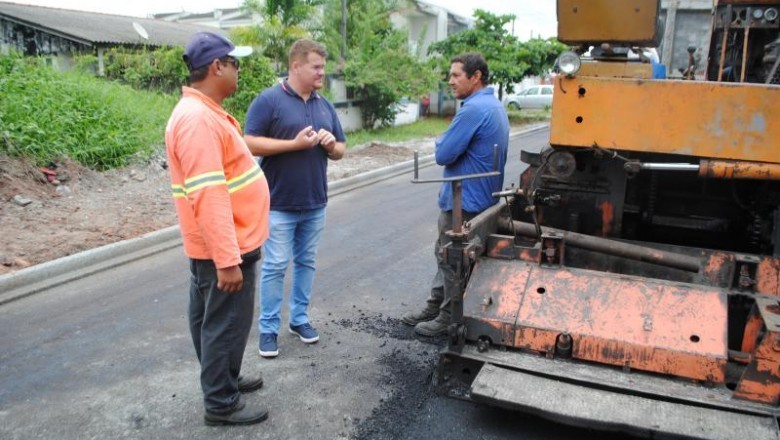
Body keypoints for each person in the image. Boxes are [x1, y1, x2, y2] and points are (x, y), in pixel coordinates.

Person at [165, 31, 271, 426]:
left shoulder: (202, 112)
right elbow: (209, 195)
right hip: (227, 247)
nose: (238, 69)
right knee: (225, 323)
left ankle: (225, 378)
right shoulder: (197, 120)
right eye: (234, 62)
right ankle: (221, 403)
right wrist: (227, 259)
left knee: (212, 319)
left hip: (225, 242)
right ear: (216, 66)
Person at [244, 39, 346, 358]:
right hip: (279, 203)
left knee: (306, 263)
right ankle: (268, 329)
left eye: (322, 67)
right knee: (275, 265)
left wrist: (330, 146)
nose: (321, 72)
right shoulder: (269, 100)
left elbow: (342, 149)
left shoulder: (323, 105)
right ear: (296, 66)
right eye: (316, 67)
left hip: (315, 202)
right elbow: (249, 143)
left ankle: (299, 319)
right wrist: (294, 145)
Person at [402, 52, 509, 337]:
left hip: (465, 203)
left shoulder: (473, 109)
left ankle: (448, 317)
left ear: (476, 77)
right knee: (445, 256)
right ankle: (435, 305)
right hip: (482, 200)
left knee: (451, 259)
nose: (450, 81)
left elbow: (444, 153)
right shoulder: (493, 105)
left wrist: (441, 140)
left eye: (456, 75)